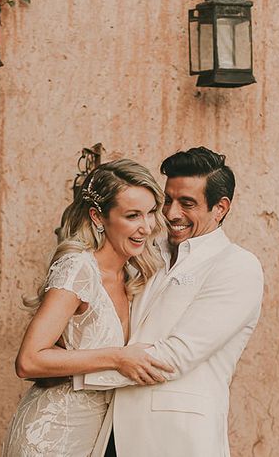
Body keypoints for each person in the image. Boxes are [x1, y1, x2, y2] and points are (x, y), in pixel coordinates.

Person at [79, 147, 265, 457]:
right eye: (168, 200)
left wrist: (72, 371)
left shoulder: (237, 266)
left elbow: (174, 357)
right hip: (109, 431)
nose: (171, 214)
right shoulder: (147, 250)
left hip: (175, 439)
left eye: (187, 203)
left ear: (220, 208)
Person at [2, 159, 174, 457]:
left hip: (99, 436)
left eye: (150, 213)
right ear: (98, 217)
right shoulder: (78, 269)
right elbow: (29, 360)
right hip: (52, 436)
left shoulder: (135, 274)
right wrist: (117, 358)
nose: (145, 227)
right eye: (132, 216)